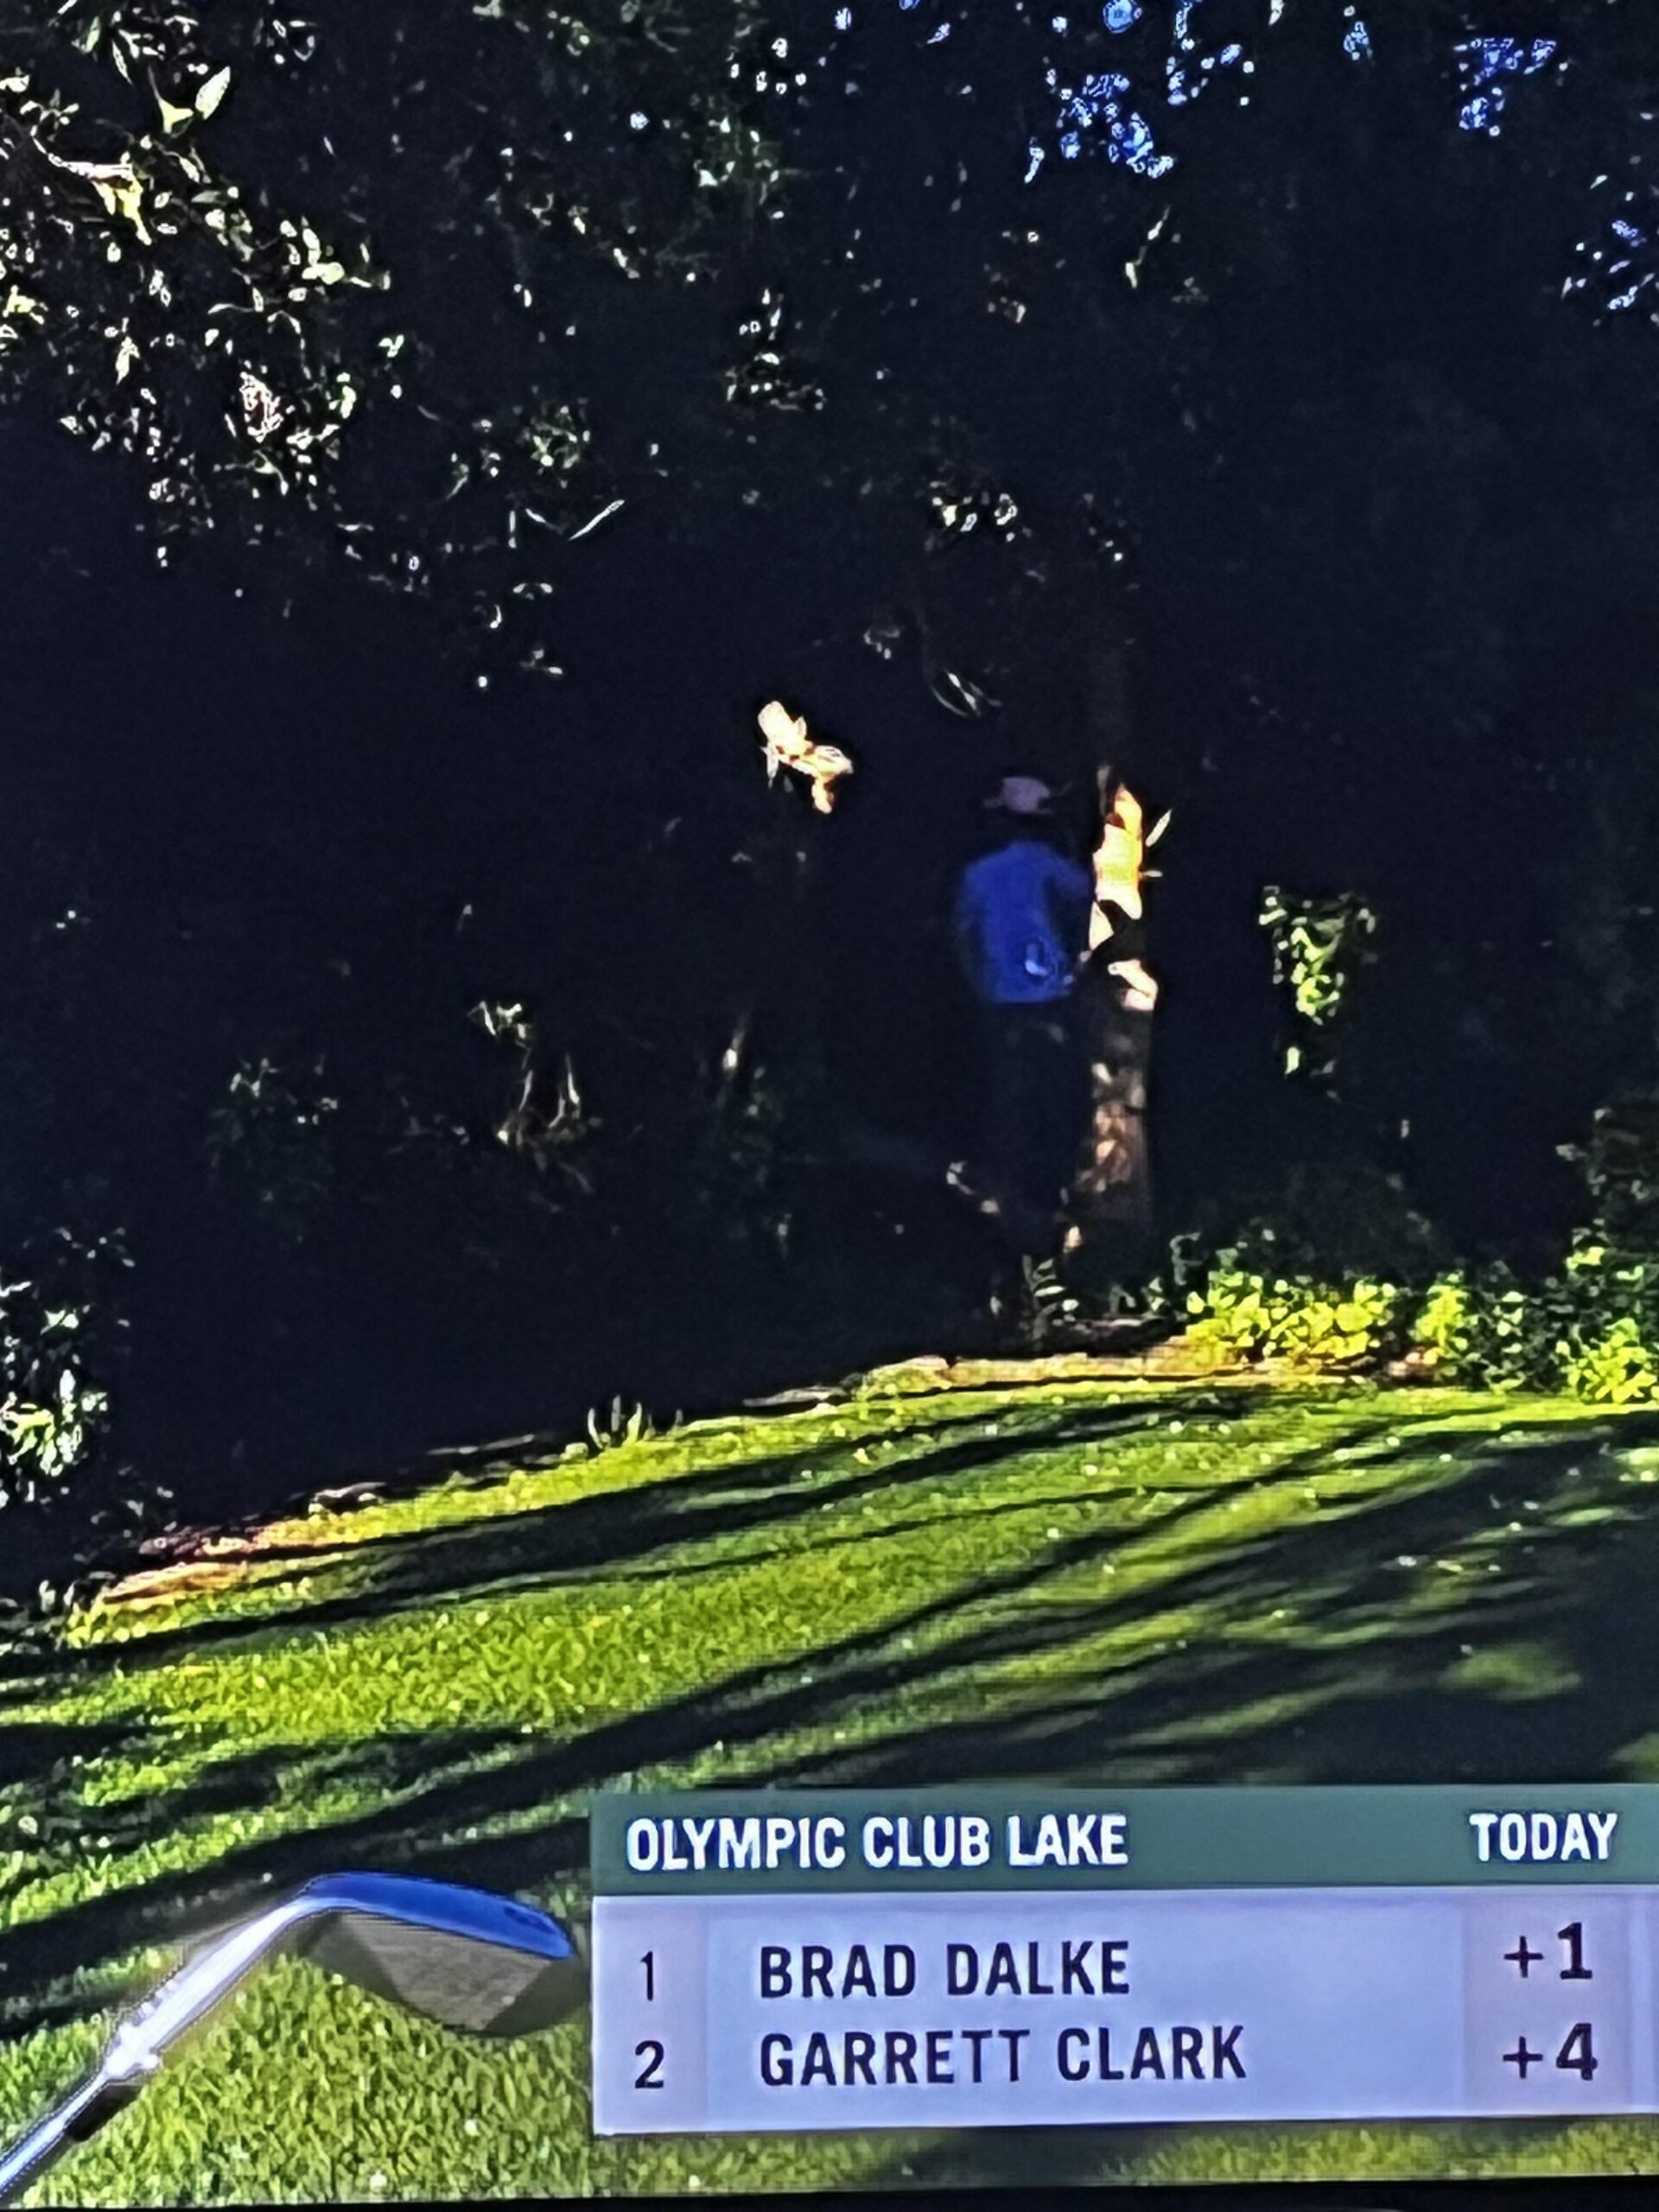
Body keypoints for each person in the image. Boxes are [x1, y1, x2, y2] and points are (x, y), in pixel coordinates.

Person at [951, 775, 1095, 1252]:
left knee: (1007, 1096)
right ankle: (1057, 1191)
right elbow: (1088, 906)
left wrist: (979, 986)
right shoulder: (1056, 868)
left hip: (998, 1001)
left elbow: (964, 937)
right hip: (1053, 996)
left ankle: (1010, 1197)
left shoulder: (977, 874)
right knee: (1058, 1095)